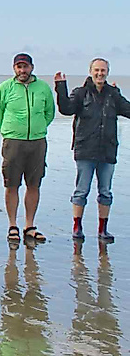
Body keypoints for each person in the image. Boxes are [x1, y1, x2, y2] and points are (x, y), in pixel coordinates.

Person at [55, 59, 130, 243]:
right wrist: (60, 87)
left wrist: (119, 93)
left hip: (108, 150)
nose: (100, 73)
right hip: (85, 150)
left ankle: (103, 229)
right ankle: (77, 227)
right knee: (81, 191)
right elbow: (66, 109)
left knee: (105, 192)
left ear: (107, 72)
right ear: (90, 71)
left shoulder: (113, 95)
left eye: (103, 70)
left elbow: (128, 110)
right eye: (96, 70)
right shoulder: (81, 93)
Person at [0, 52, 56, 243]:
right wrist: (8, 131)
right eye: (19, 67)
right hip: (13, 141)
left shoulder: (43, 87)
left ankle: (29, 225)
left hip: (37, 142)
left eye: (25, 67)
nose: (22, 70)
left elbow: (49, 113)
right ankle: (12, 225)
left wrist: (38, 128)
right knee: (11, 184)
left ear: (32, 68)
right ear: (14, 69)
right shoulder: (5, 88)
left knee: (34, 184)